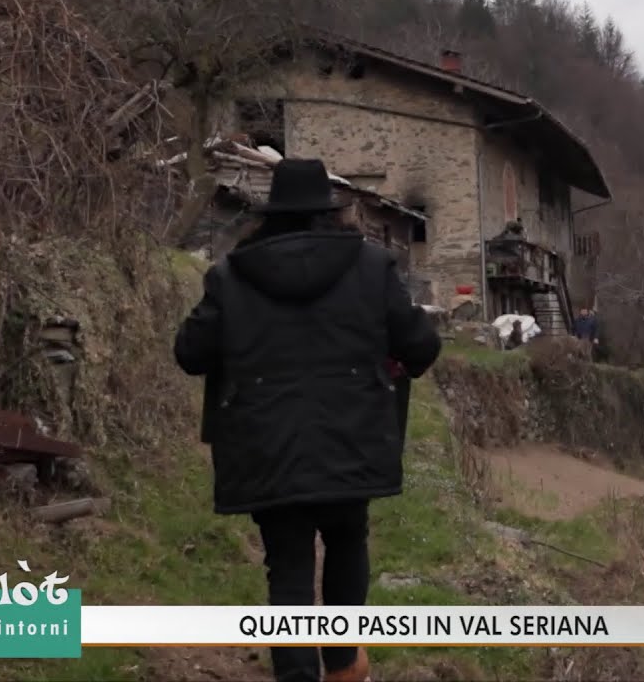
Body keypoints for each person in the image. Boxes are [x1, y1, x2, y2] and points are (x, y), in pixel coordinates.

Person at [173, 158, 442, 682]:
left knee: (289, 566)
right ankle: (343, 664)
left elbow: (190, 353)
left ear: (272, 214)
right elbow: (421, 345)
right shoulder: (371, 267)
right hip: (353, 437)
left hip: (265, 444)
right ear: (329, 212)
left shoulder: (231, 276)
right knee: (346, 540)